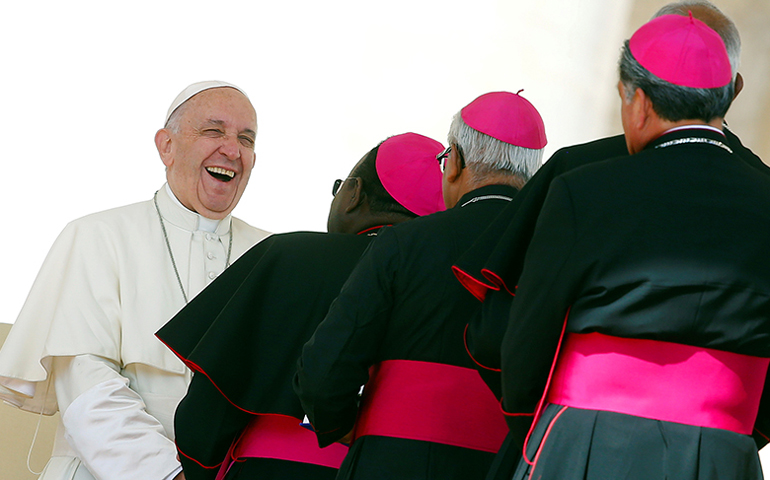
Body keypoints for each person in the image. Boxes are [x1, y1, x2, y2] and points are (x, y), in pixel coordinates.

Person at [450, 6, 770, 475]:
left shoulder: (583, 189)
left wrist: (537, 434)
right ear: (726, 96)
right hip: (723, 455)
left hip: (584, 443)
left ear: (638, 100)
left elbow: (524, 340)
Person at [0, 81, 270, 480]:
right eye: (214, 131)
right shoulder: (98, 235)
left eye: (245, 138)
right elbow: (87, 385)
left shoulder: (270, 254)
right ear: (166, 146)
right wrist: (167, 475)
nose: (232, 149)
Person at [154, 132, 446, 480]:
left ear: (352, 194)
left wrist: (198, 467)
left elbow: (211, 404)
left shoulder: (289, 257)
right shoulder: (452, 285)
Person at [294, 91, 547, 480]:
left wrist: (350, 429)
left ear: (456, 162)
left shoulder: (405, 241)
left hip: (392, 461)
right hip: (509, 467)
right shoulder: (558, 248)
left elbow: (324, 369)